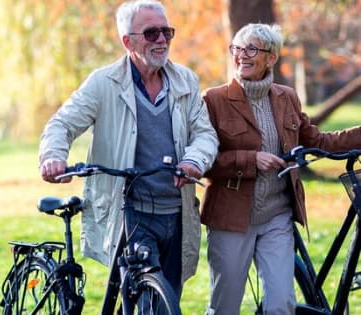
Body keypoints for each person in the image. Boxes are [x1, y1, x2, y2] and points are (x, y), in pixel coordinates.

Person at [38, 0, 218, 304]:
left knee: (166, 301)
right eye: (151, 33)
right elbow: (62, 124)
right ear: (127, 41)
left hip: (176, 212)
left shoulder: (185, 80)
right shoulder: (103, 83)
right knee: (148, 297)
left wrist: (193, 161)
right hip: (130, 211)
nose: (161, 40)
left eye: (166, 32)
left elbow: (205, 133)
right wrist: (53, 156)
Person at [201, 23, 361, 315]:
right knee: (225, 307)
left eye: (251, 49)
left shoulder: (286, 97)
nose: (241, 55)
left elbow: (317, 141)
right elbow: (205, 161)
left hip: (277, 215)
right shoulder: (214, 100)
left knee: (280, 304)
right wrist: (252, 159)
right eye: (237, 48)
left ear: (271, 57)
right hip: (232, 218)